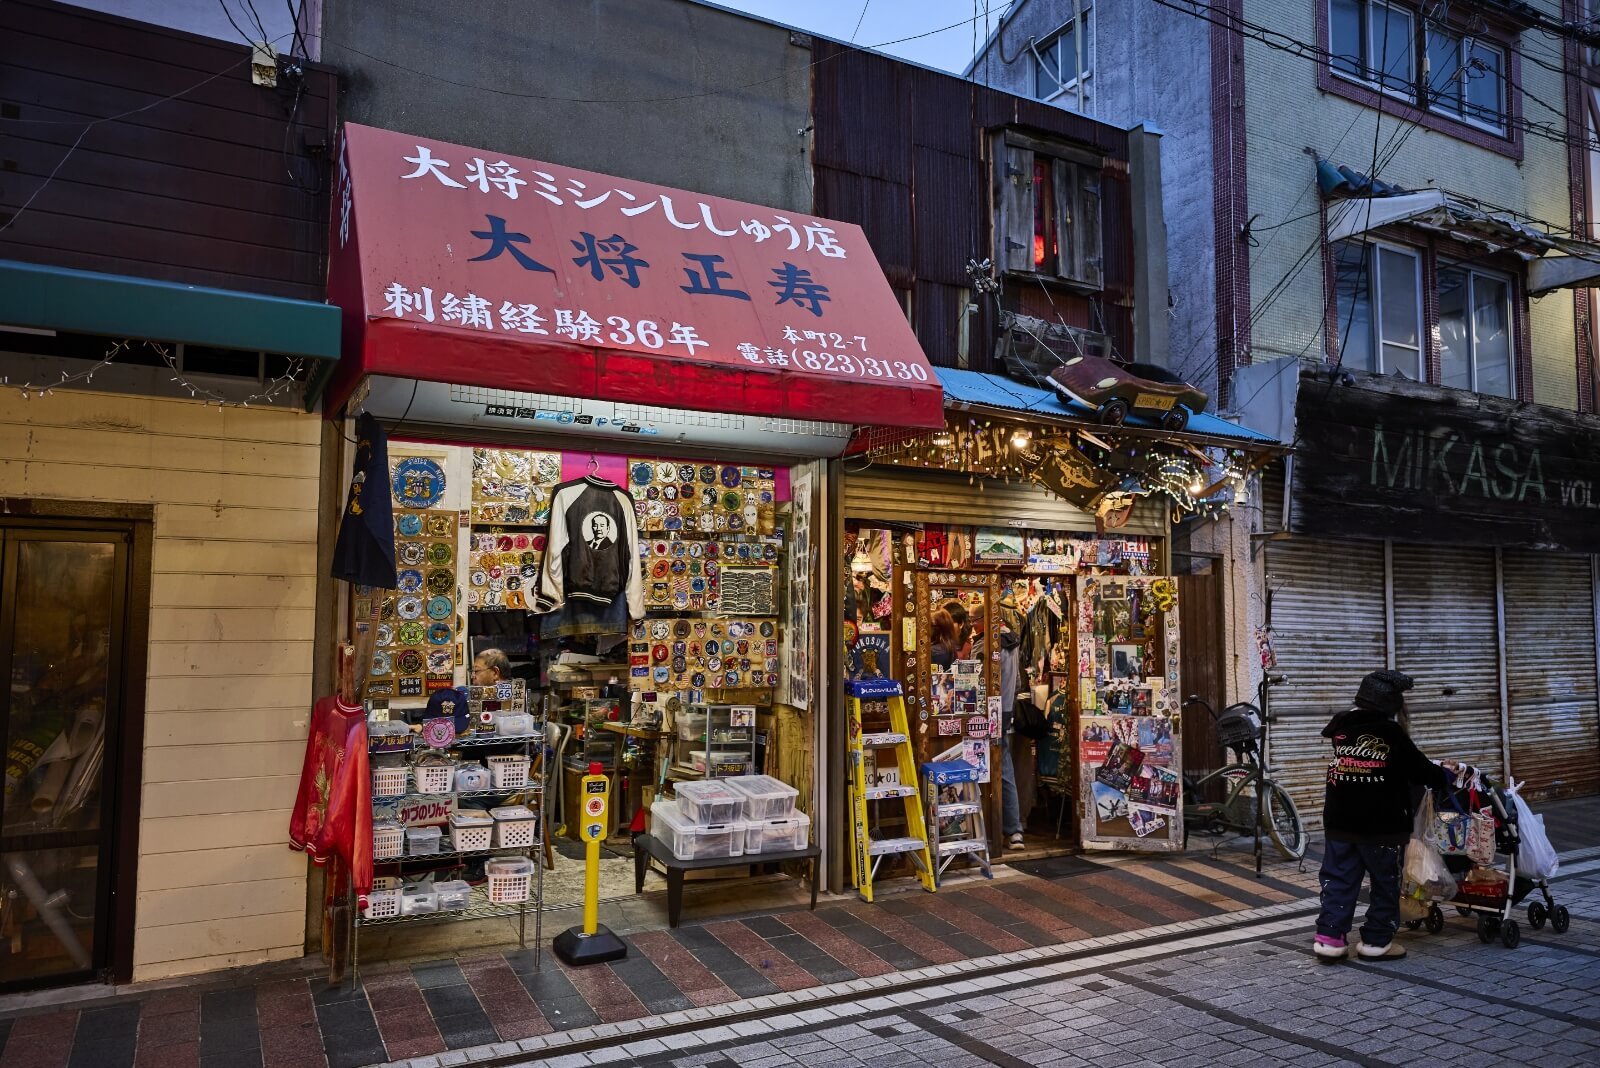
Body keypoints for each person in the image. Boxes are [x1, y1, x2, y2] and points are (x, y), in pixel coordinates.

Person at [1314, 669, 1455, 962]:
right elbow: (1420, 770)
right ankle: (1376, 942)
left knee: (1338, 879)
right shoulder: (1390, 734)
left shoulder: (1342, 726)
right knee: (1384, 881)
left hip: (1340, 821)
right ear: (1391, 704)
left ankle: (1330, 940)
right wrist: (1445, 776)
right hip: (1380, 825)